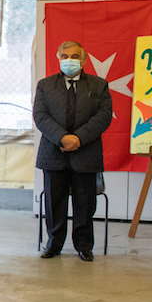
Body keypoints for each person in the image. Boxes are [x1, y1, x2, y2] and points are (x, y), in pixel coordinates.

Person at [32, 41, 112, 261]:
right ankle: (53, 244)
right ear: (58, 59)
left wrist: (78, 138)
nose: (70, 61)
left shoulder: (99, 86)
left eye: (75, 56)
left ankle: (84, 246)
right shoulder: (45, 85)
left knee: (85, 203)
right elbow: (40, 116)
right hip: (53, 153)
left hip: (85, 153)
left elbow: (103, 118)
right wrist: (62, 138)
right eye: (65, 56)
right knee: (53, 202)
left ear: (84, 60)